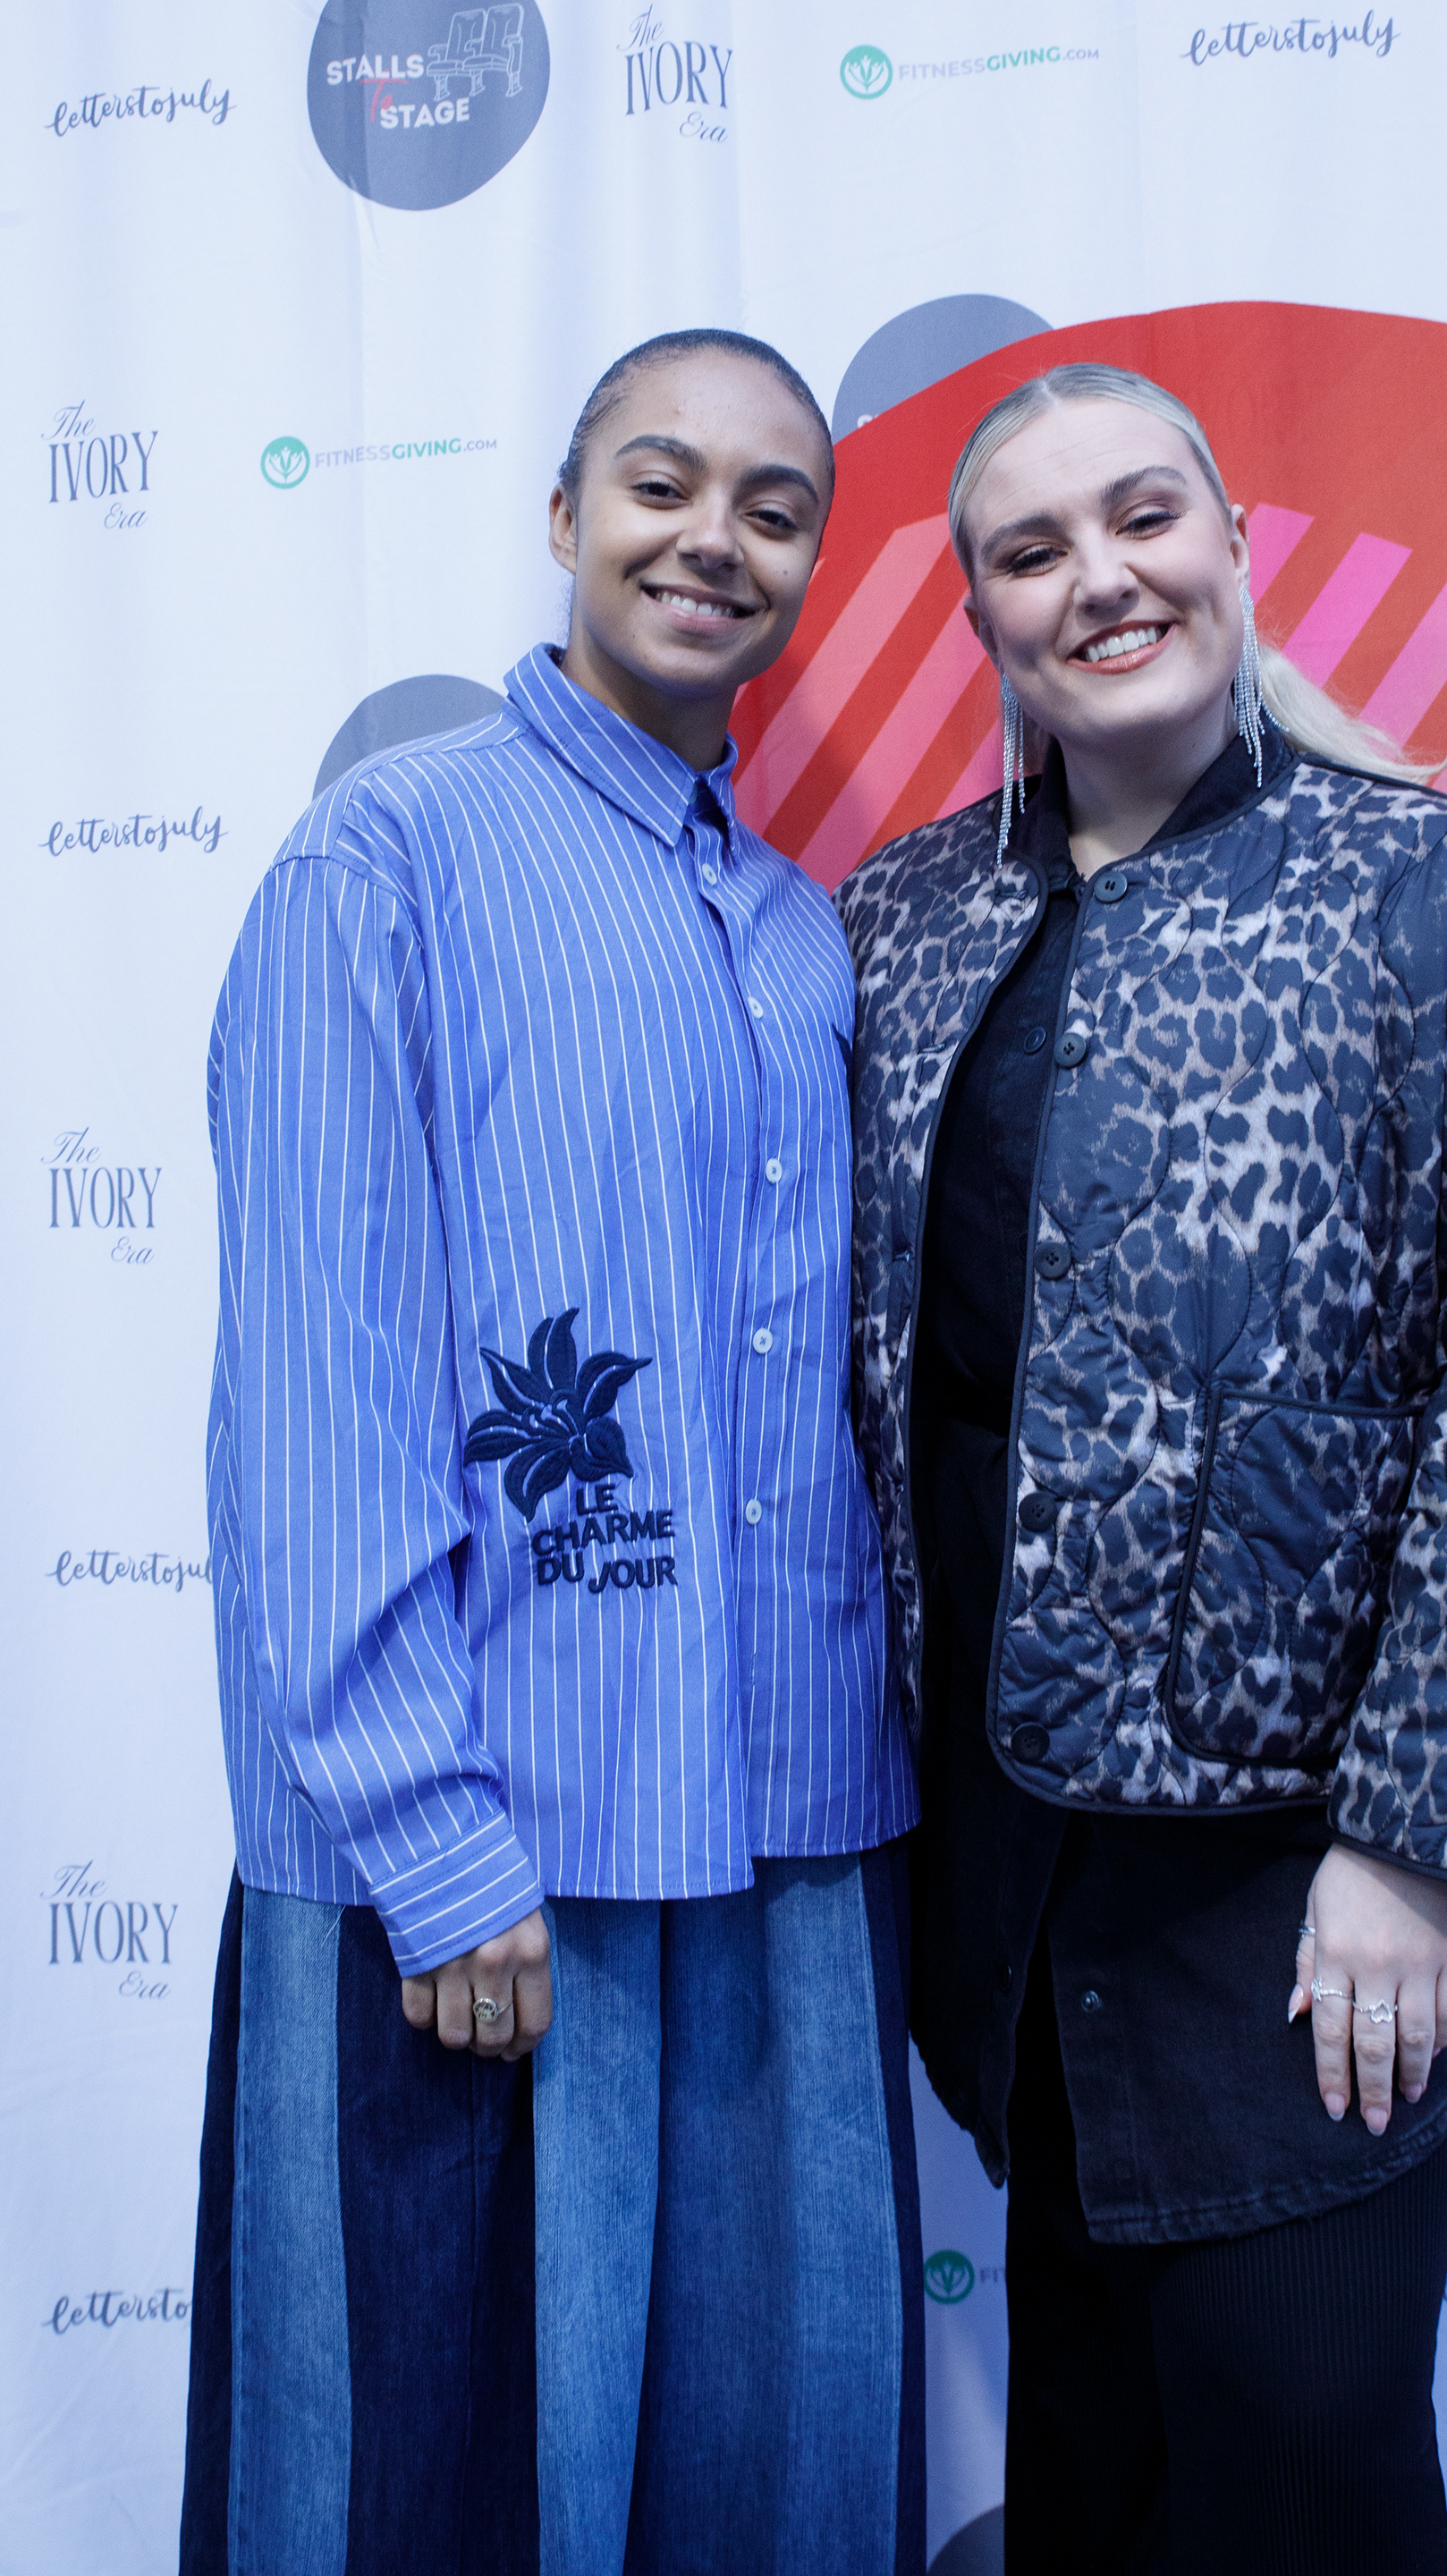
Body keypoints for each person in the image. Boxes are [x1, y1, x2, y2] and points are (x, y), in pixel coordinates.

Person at [835, 361, 1447, 2576]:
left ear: (1231, 541)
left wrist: (1418, 1842)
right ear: (982, 618)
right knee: (1095, 2469)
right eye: (1032, 551)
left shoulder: (1440, 896)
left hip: (1307, 1884)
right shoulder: (903, 925)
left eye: (1143, 517)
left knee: (1299, 2467)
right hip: (1014, 1872)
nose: (1100, 578)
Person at [181, 328, 923, 2576]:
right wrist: (431, 1839)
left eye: (776, 509)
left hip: (785, 1845)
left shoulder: (800, 935)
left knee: (770, 2490)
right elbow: (318, 1386)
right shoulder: (385, 858)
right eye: (662, 484)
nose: (715, 540)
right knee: (432, 2498)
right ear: (565, 514)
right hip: (489, 1859)